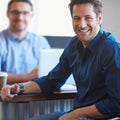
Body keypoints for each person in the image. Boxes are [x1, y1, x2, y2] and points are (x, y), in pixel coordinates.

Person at [1, 0, 120, 119]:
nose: (82, 24)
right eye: (77, 18)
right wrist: (19, 87)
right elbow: (51, 81)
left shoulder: (112, 48)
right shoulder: (74, 45)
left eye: (88, 18)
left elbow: (116, 103)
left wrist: (73, 115)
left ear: (99, 18)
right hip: (77, 114)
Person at [0, 0, 50, 84]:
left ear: (31, 15)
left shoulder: (41, 42)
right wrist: (26, 77)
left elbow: (49, 73)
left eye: (25, 13)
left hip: (36, 95)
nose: (20, 17)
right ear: (7, 14)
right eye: (15, 12)